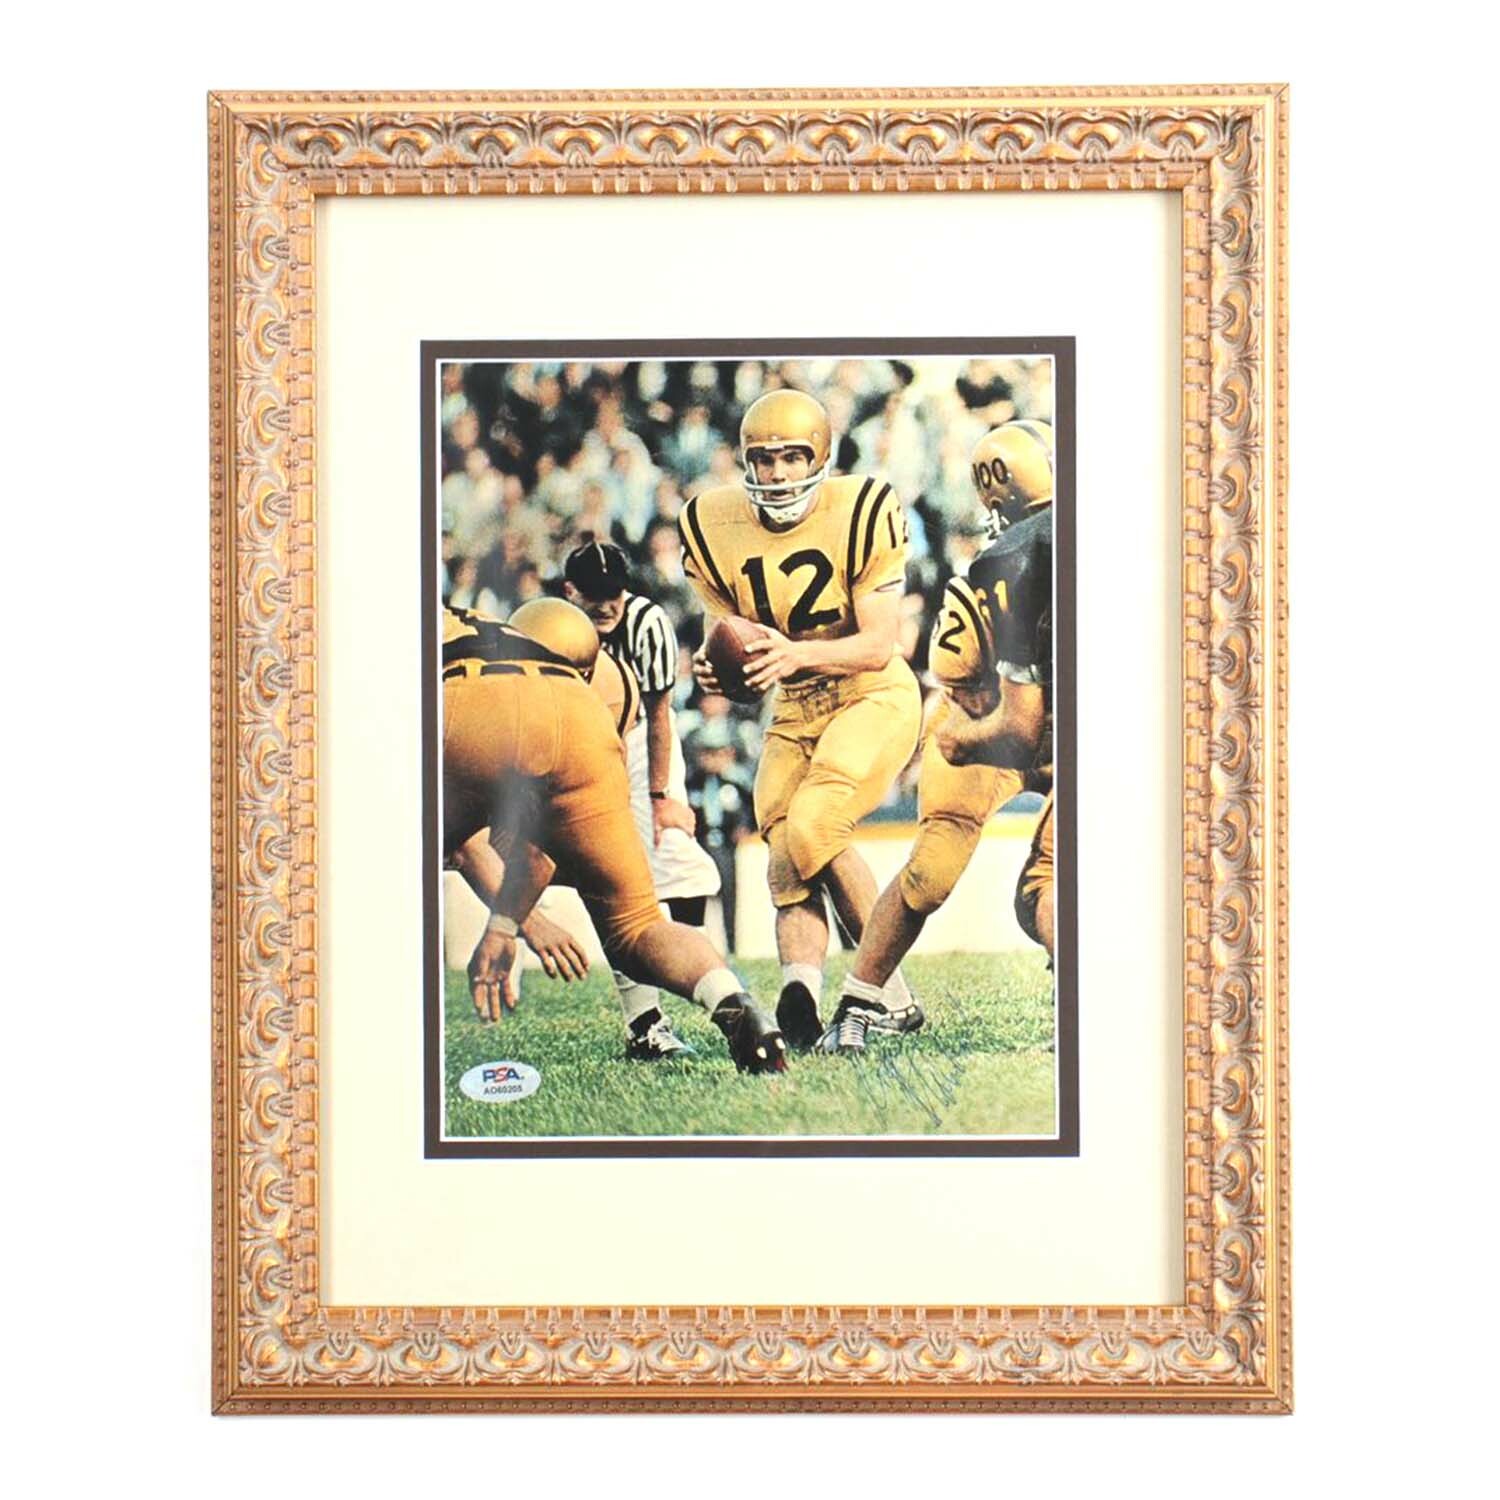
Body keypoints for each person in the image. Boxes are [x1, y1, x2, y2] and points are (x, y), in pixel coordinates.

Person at [441, 599, 785, 1073]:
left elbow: (465, 846)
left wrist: (509, 926)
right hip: (583, 725)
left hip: (463, 698)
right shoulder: (604, 678)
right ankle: (735, 1004)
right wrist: (511, 921)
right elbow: (544, 848)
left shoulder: (435, 625)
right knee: (638, 925)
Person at [678, 388, 922, 1051]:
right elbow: (727, 637)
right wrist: (716, 668)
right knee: (785, 853)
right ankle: (803, 994)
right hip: (795, 705)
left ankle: (888, 995)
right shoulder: (712, 521)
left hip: (870, 692)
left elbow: (880, 645)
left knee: (817, 824)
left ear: (820, 457)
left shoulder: (860, 507)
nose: (779, 473)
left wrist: (796, 654)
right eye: (765, 459)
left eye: (792, 457)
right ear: (745, 463)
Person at [823, 420, 1055, 1051]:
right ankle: (861, 1001)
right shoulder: (1058, 549)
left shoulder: (1009, 558)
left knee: (1041, 886)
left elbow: (1017, 724)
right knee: (937, 876)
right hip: (1003, 725)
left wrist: (956, 742)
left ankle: (1080, 1001)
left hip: (1010, 729)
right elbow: (994, 705)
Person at [561, 540, 724, 1059]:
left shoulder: (647, 623)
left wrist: (659, 796)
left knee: (677, 857)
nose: (607, 605)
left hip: (639, 743)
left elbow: (656, 717)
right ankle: (644, 1021)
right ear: (570, 591)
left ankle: (684, 965)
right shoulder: (553, 630)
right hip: (578, 748)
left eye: (614, 593)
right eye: (594, 594)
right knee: (613, 876)